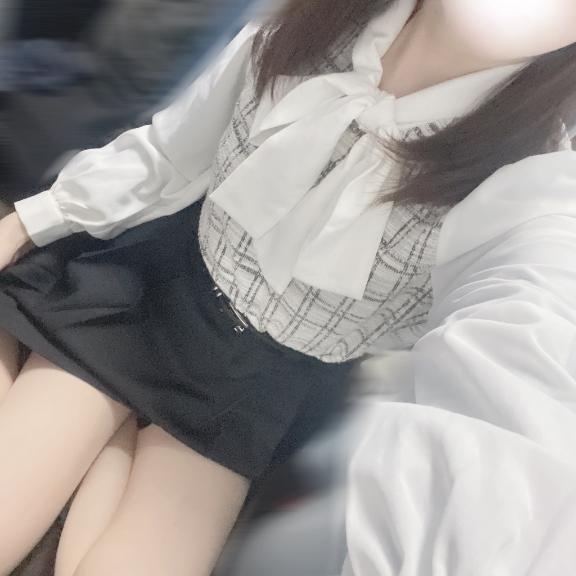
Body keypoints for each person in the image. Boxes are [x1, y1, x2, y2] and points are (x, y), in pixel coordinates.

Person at [0, 0, 575, 574]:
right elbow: (171, 155)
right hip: (151, 299)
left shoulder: (540, 183)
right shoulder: (307, 23)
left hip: (261, 391)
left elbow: (530, 367)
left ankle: (119, 432)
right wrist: (26, 222)